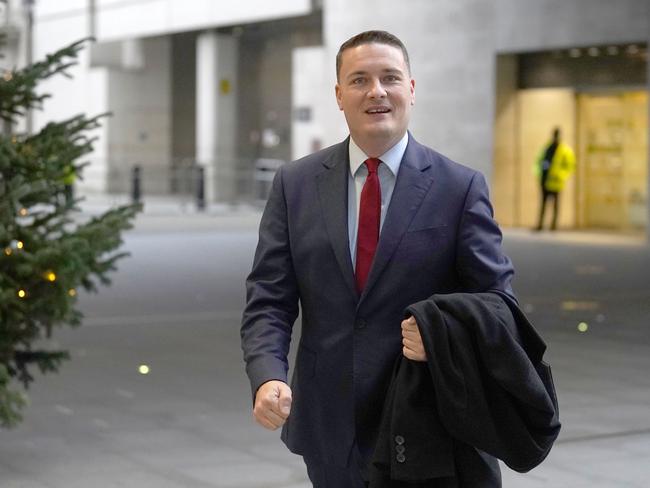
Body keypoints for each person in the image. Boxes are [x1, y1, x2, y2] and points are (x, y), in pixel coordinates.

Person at [241, 30, 516, 487]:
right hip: (331, 431)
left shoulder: (459, 187)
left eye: (390, 77)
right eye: (359, 80)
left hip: (432, 427)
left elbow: (499, 303)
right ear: (338, 95)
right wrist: (267, 375)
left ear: (411, 88)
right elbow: (269, 298)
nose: (376, 92)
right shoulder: (296, 185)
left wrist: (443, 334)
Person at [535, 127, 576, 231]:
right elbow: (538, 161)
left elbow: (570, 166)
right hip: (545, 179)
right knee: (543, 204)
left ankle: (553, 226)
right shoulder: (547, 147)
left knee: (555, 205)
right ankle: (540, 224)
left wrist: (560, 175)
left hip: (556, 181)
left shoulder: (565, 150)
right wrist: (538, 174)